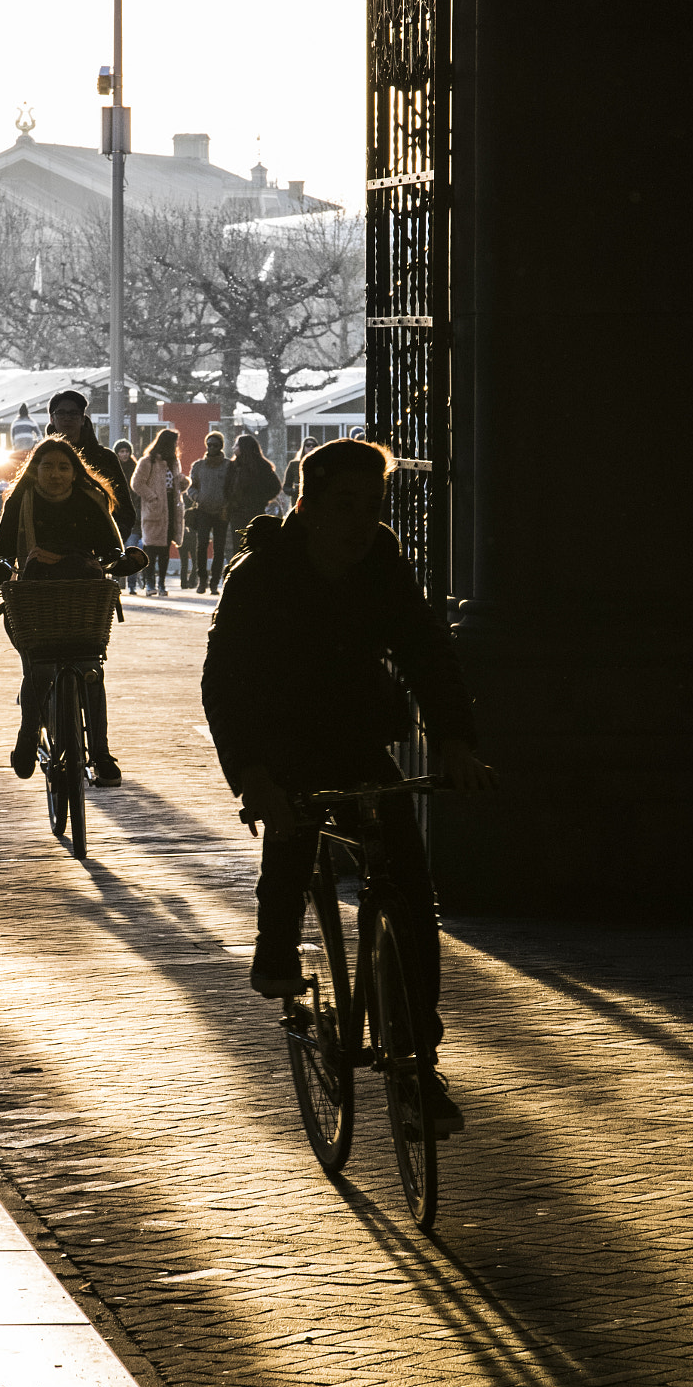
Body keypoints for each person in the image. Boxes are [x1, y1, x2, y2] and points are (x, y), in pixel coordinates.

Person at [200, 439, 495, 1130]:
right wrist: (250, 775)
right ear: (305, 506)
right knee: (292, 826)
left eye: (372, 508)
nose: (359, 524)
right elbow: (225, 685)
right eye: (343, 507)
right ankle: (275, 946)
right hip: (282, 742)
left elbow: (426, 649)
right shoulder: (261, 575)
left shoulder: (381, 565)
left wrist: (454, 740)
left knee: (412, 896)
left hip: (358, 738)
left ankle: (416, 1067)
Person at [0, 435, 133, 786]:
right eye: (47, 466)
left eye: (64, 467)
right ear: (35, 470)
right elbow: (1, 549)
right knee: (39, 669)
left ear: (75, 471)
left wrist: (123, 562)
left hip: (84, 598)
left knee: (91, 670)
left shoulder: (92, 499)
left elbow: (113, 549)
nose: (55, 474)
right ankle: (28, 734)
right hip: (33, 598)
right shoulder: (21, 499)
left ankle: (101, 753)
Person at [44, 390, 137, 545]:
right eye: (61, 413)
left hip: (95, 554)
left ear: (82, 419)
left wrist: (112, 541)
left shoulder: (105, 459)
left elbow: (125, 509)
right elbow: (18, 505)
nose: (67, 418)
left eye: (73, 413)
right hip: (48, 551)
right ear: (52, 419)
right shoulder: (40, 458)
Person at [131, 428, 184, 595]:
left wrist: (184, 483)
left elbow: (175, 483)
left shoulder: (174, 462)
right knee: (151, 548)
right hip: (155, 508)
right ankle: (150, 584)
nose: (176, 445)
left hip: (170, 508)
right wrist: (152, 497)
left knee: (165, 548)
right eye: (174, 442)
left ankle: (161, 584)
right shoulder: (147, 461)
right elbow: (137, 483)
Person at [187, 431, 231, 595]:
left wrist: (227, 504)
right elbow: (191, 487)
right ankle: (202, 580)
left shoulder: (228, 466)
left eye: (215, 445)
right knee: (202, 545)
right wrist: (196, 496)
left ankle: (214, 583)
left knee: (219, 548)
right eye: (209, 445)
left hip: (221, 512)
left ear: (221, 447)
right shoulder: (199, 466)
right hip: (203, 510)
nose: (212, 448)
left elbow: (232, 488)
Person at [225, 432, 282, 553]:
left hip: (255, 511)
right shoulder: (233, 466)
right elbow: (226, 487)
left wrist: (261, 499)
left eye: (236, 445)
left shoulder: (262, 466)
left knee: (254, 544)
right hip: (237, 512)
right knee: (238, 546)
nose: (233, 448)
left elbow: (275, 486)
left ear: (244, 447)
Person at [111, 439, 143, 592]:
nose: (124, 454)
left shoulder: (136, 469)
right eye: (121, 451)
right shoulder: (112, 469)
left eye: (126, 451)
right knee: (116, 549)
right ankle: (115, 581)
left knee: (131, 549)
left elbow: (138, 494)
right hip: (115, 515)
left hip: (134, 516)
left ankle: (131, 585)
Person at [282, 437, 319, 506]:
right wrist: (295, 491)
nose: (311, 447)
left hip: (316, 502)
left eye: (314, 445)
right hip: (298, 503)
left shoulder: (321, 464)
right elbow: (286, 487)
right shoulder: (294, 464)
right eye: (308, 445)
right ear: (303, 447)